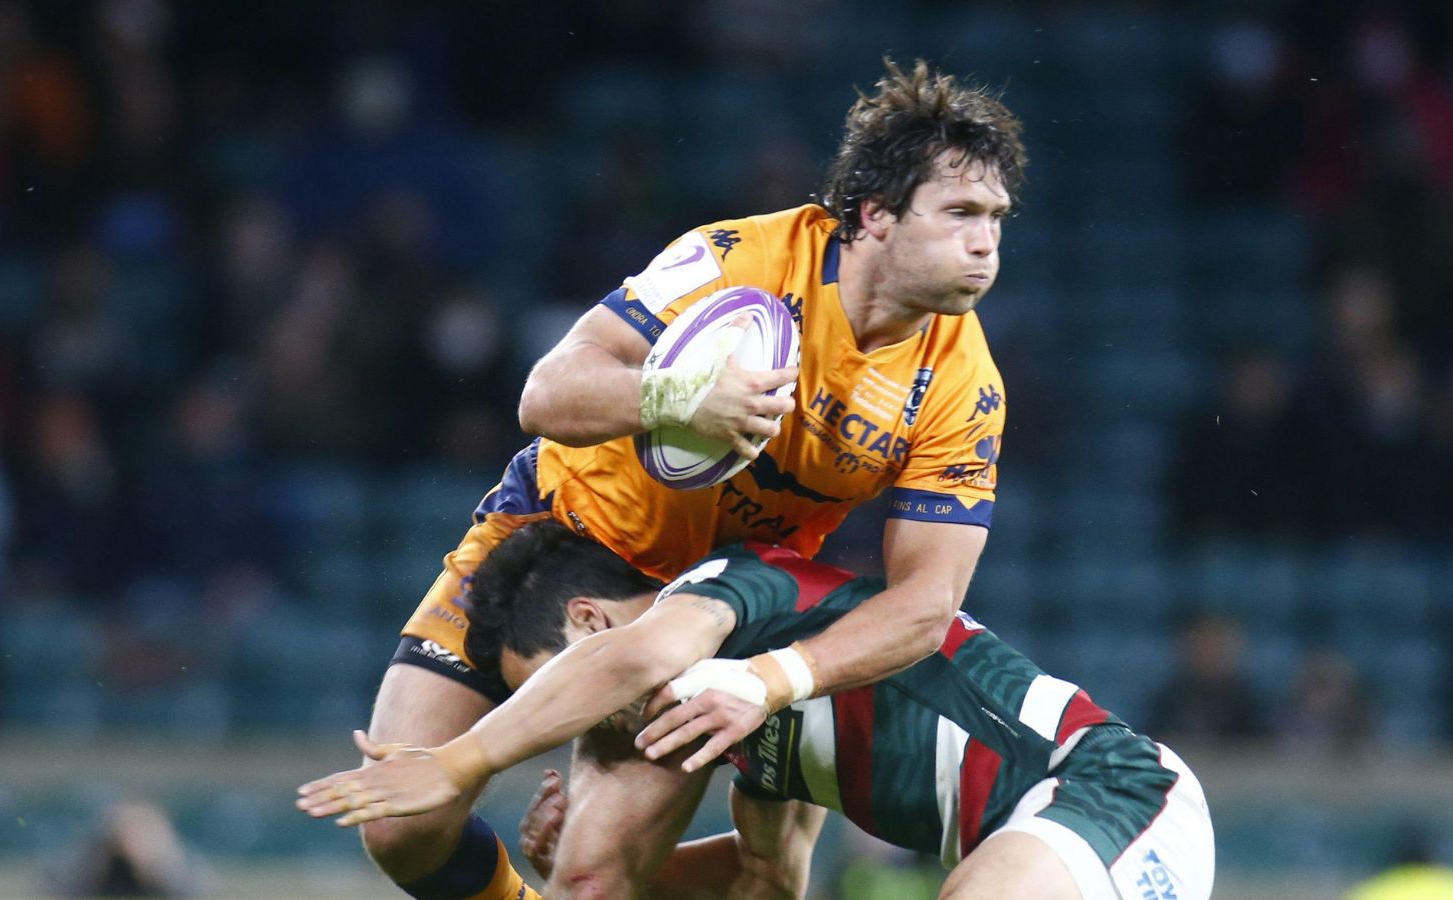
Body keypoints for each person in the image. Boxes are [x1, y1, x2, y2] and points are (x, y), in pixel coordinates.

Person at [360, 59, 1024, 899]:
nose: (986, 242)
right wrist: (677, 398)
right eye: (961, 213)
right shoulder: (739, 259)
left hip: (692, 610)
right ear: (876, 216)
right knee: (401, 829)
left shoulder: (963, 386)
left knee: (596, 882)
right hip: (548, 539)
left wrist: (774, 677)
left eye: (997, 218)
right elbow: (545, 393)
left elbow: (927, 604)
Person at [300, 521, 1215, 899]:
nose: (594, 726)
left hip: (1110, 793)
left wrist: (462, 762)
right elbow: (768, 879)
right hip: (1059, 837)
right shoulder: (745, 742)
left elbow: (644, 653)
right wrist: (632, 872)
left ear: (590, 619)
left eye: (562, 691)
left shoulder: (727, 592)